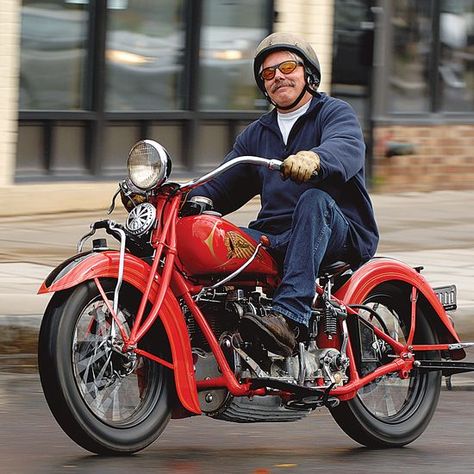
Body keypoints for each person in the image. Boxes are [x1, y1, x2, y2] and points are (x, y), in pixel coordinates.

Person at [190, 32, 379, 356]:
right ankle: (214, 335)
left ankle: (290, 319)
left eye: (287, 66)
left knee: (313, 199)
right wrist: (173, 200)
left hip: (339, 229)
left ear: (308, 74)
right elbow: (221, 184)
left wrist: (315, 159)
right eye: (268, 73)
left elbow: (346, 148)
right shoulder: (257, 134)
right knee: (211, 237)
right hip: (276, 235)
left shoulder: (334, 112)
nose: (278, 76)